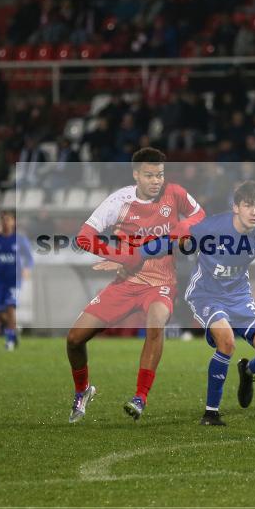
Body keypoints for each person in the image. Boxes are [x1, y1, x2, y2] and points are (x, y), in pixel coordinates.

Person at [65, 147, 205, 423]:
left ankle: (140, 397)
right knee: (74, 339)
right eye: (150, 175)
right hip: (126, 283)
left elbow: (200, 214)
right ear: (136, 175)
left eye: (160, 175)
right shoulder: (119, 201)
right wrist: (121, 256)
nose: (156, 181)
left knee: (156, 325)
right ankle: (83, 391)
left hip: (162, 282)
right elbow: (84, 236)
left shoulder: (174, 193)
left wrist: (182, 229)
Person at [179, 180, 255, 426]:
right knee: (227, 342)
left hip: (239, 298)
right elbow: (184, 240)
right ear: (236, 207)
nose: (254, 211)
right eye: (248, 205)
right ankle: (211, 413)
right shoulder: (212, 227)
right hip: (206, 294)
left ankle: (247, 371)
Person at [0, 211, 34, 351]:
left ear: (13, 222)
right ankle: (13, 331)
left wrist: (27, 269)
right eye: (3, 220)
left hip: (14, 280)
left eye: (9, 220)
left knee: (10, 307)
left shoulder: (20, 240)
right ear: (1, 223)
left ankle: (9, 341)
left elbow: (29, 258)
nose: (6, 222)